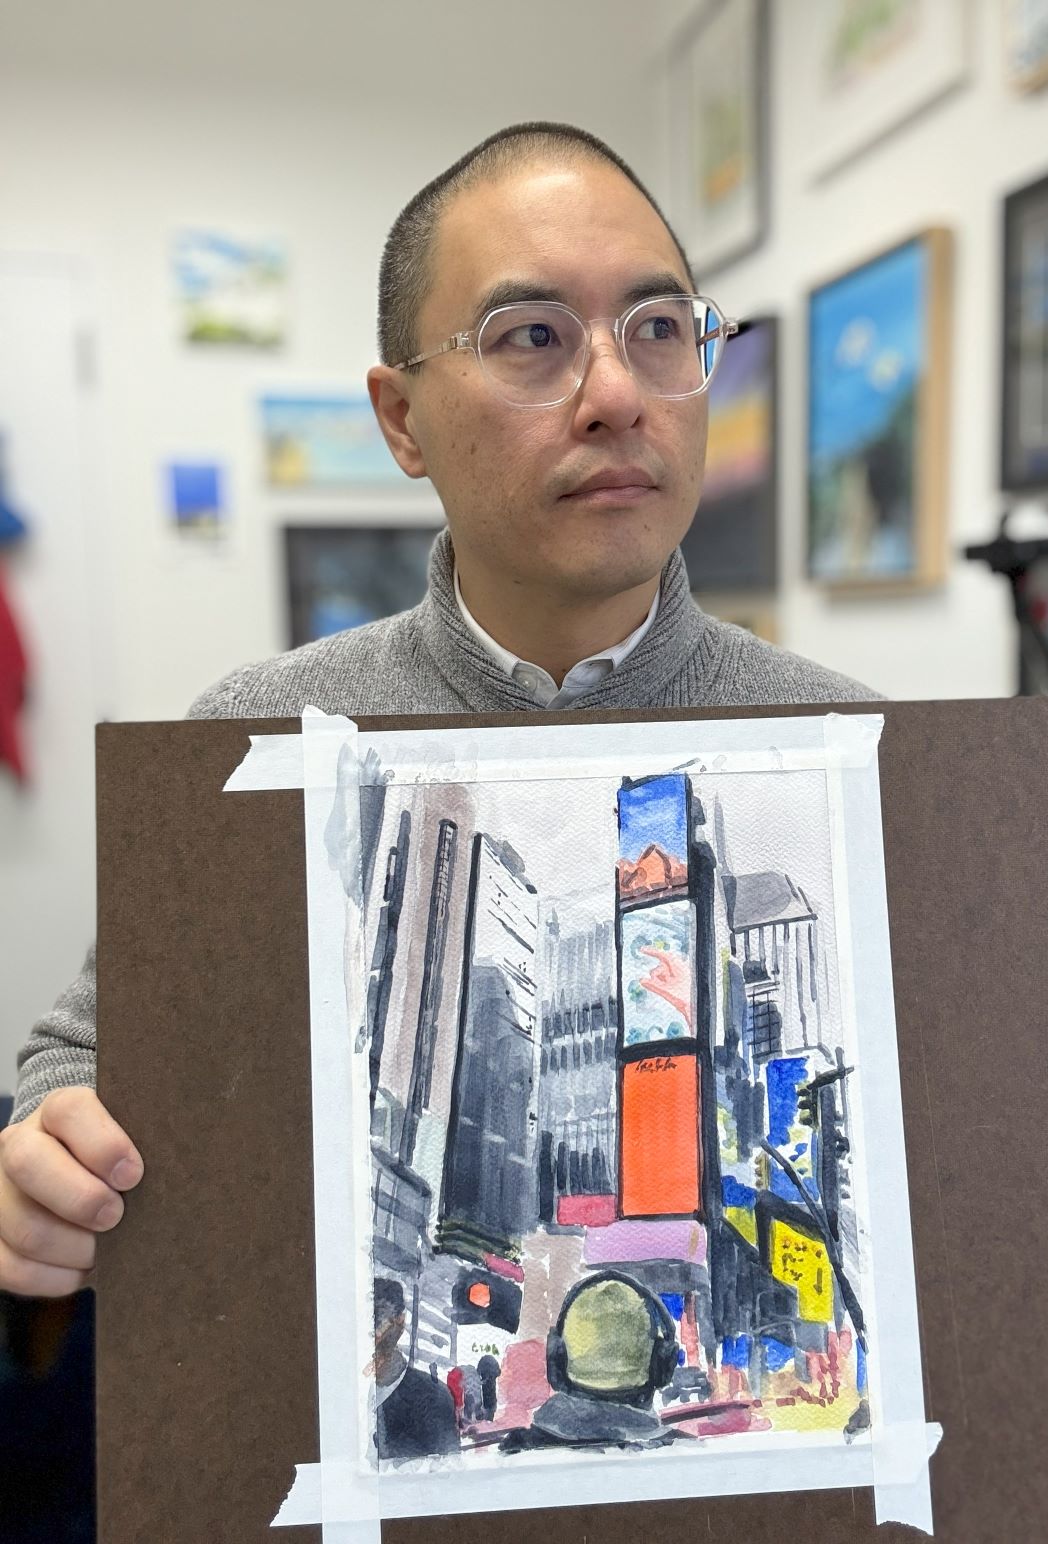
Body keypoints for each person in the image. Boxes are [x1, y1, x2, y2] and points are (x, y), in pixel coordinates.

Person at [0, 119, 879, 1299]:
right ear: (401, 419)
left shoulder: (851, 750)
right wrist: (44, 1155)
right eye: (532, 337)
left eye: (661, 329)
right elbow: (78, 1053)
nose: (617, 392)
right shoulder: (258, 738)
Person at [369, 1279, 458, 1461]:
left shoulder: (433, 1399)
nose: (369, 1332)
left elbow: (447, 1475)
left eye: (378, 1319)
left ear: (400, 1322)